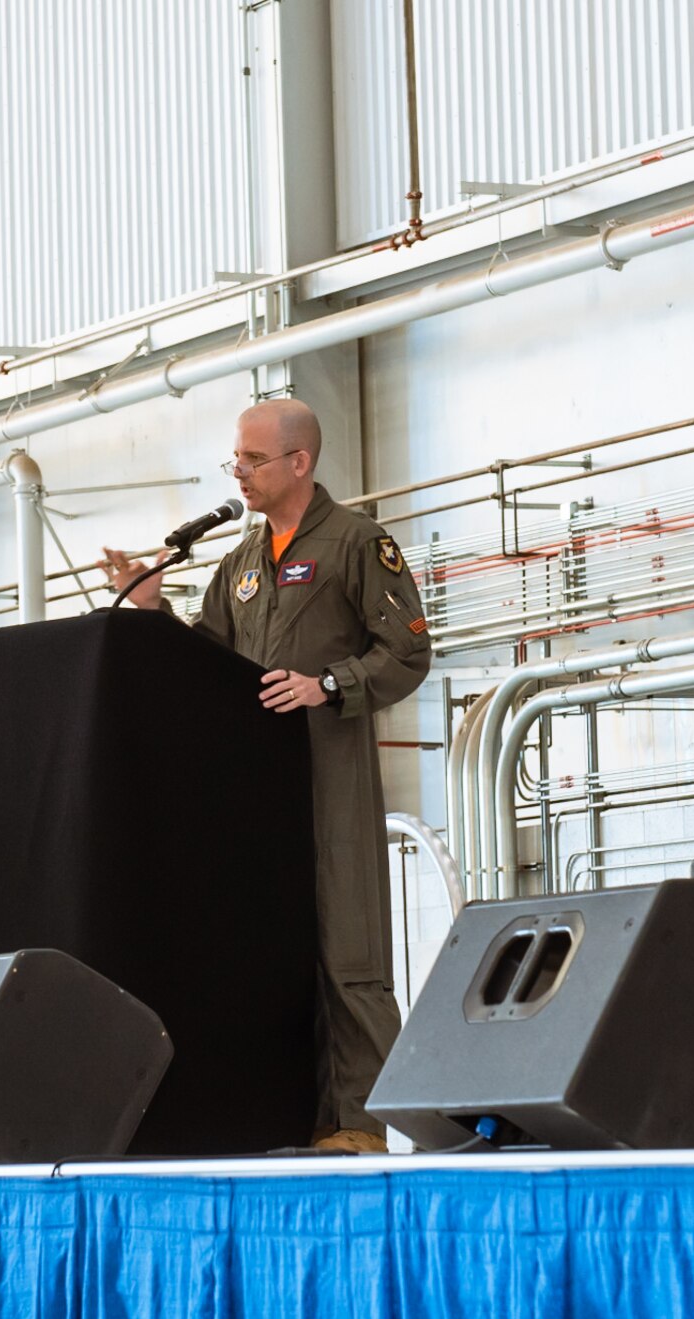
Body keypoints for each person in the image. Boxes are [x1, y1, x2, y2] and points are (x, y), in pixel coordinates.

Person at [101, 398, 432, 1153]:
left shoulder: (357, 542)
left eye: (252, 459)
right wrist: (154, 611)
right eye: (236, 460)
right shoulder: (240, 564)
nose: (239, 473)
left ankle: (360, 1123)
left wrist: (330, 684)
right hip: (256, 791)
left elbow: (408, 652)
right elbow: (205, 666)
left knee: (348, 950)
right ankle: (295, 1116)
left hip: (330, 776)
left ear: (299, 462)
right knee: (276, 954)